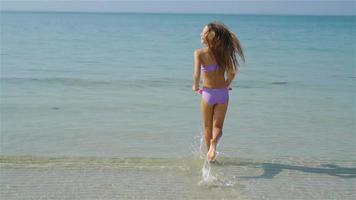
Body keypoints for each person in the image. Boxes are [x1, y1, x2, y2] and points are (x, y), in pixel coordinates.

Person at [192, 21, 245, 162]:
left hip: (208, 94)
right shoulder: (224, 54)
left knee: (207, 127)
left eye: (203, 32)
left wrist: (195, 86)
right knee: (218, 127)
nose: (201, 34)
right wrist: (226, 85)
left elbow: (196, 75)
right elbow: (232, 73)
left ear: (209, 36)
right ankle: (213, 145)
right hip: (223, 94)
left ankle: (209, 159)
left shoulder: (199, 53)